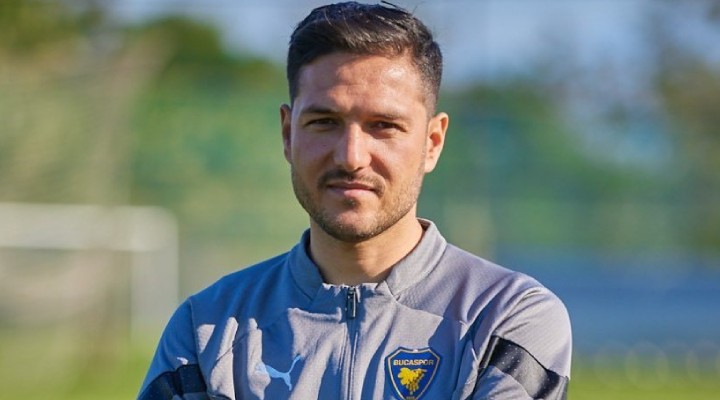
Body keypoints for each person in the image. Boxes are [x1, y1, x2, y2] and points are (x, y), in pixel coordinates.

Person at [138, 2, 572, 399]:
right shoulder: (207, 330)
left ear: (432, 142)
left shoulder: (504, 318)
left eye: (383, 125)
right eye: (325, 122)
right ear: (288, 134)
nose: (351, 156)